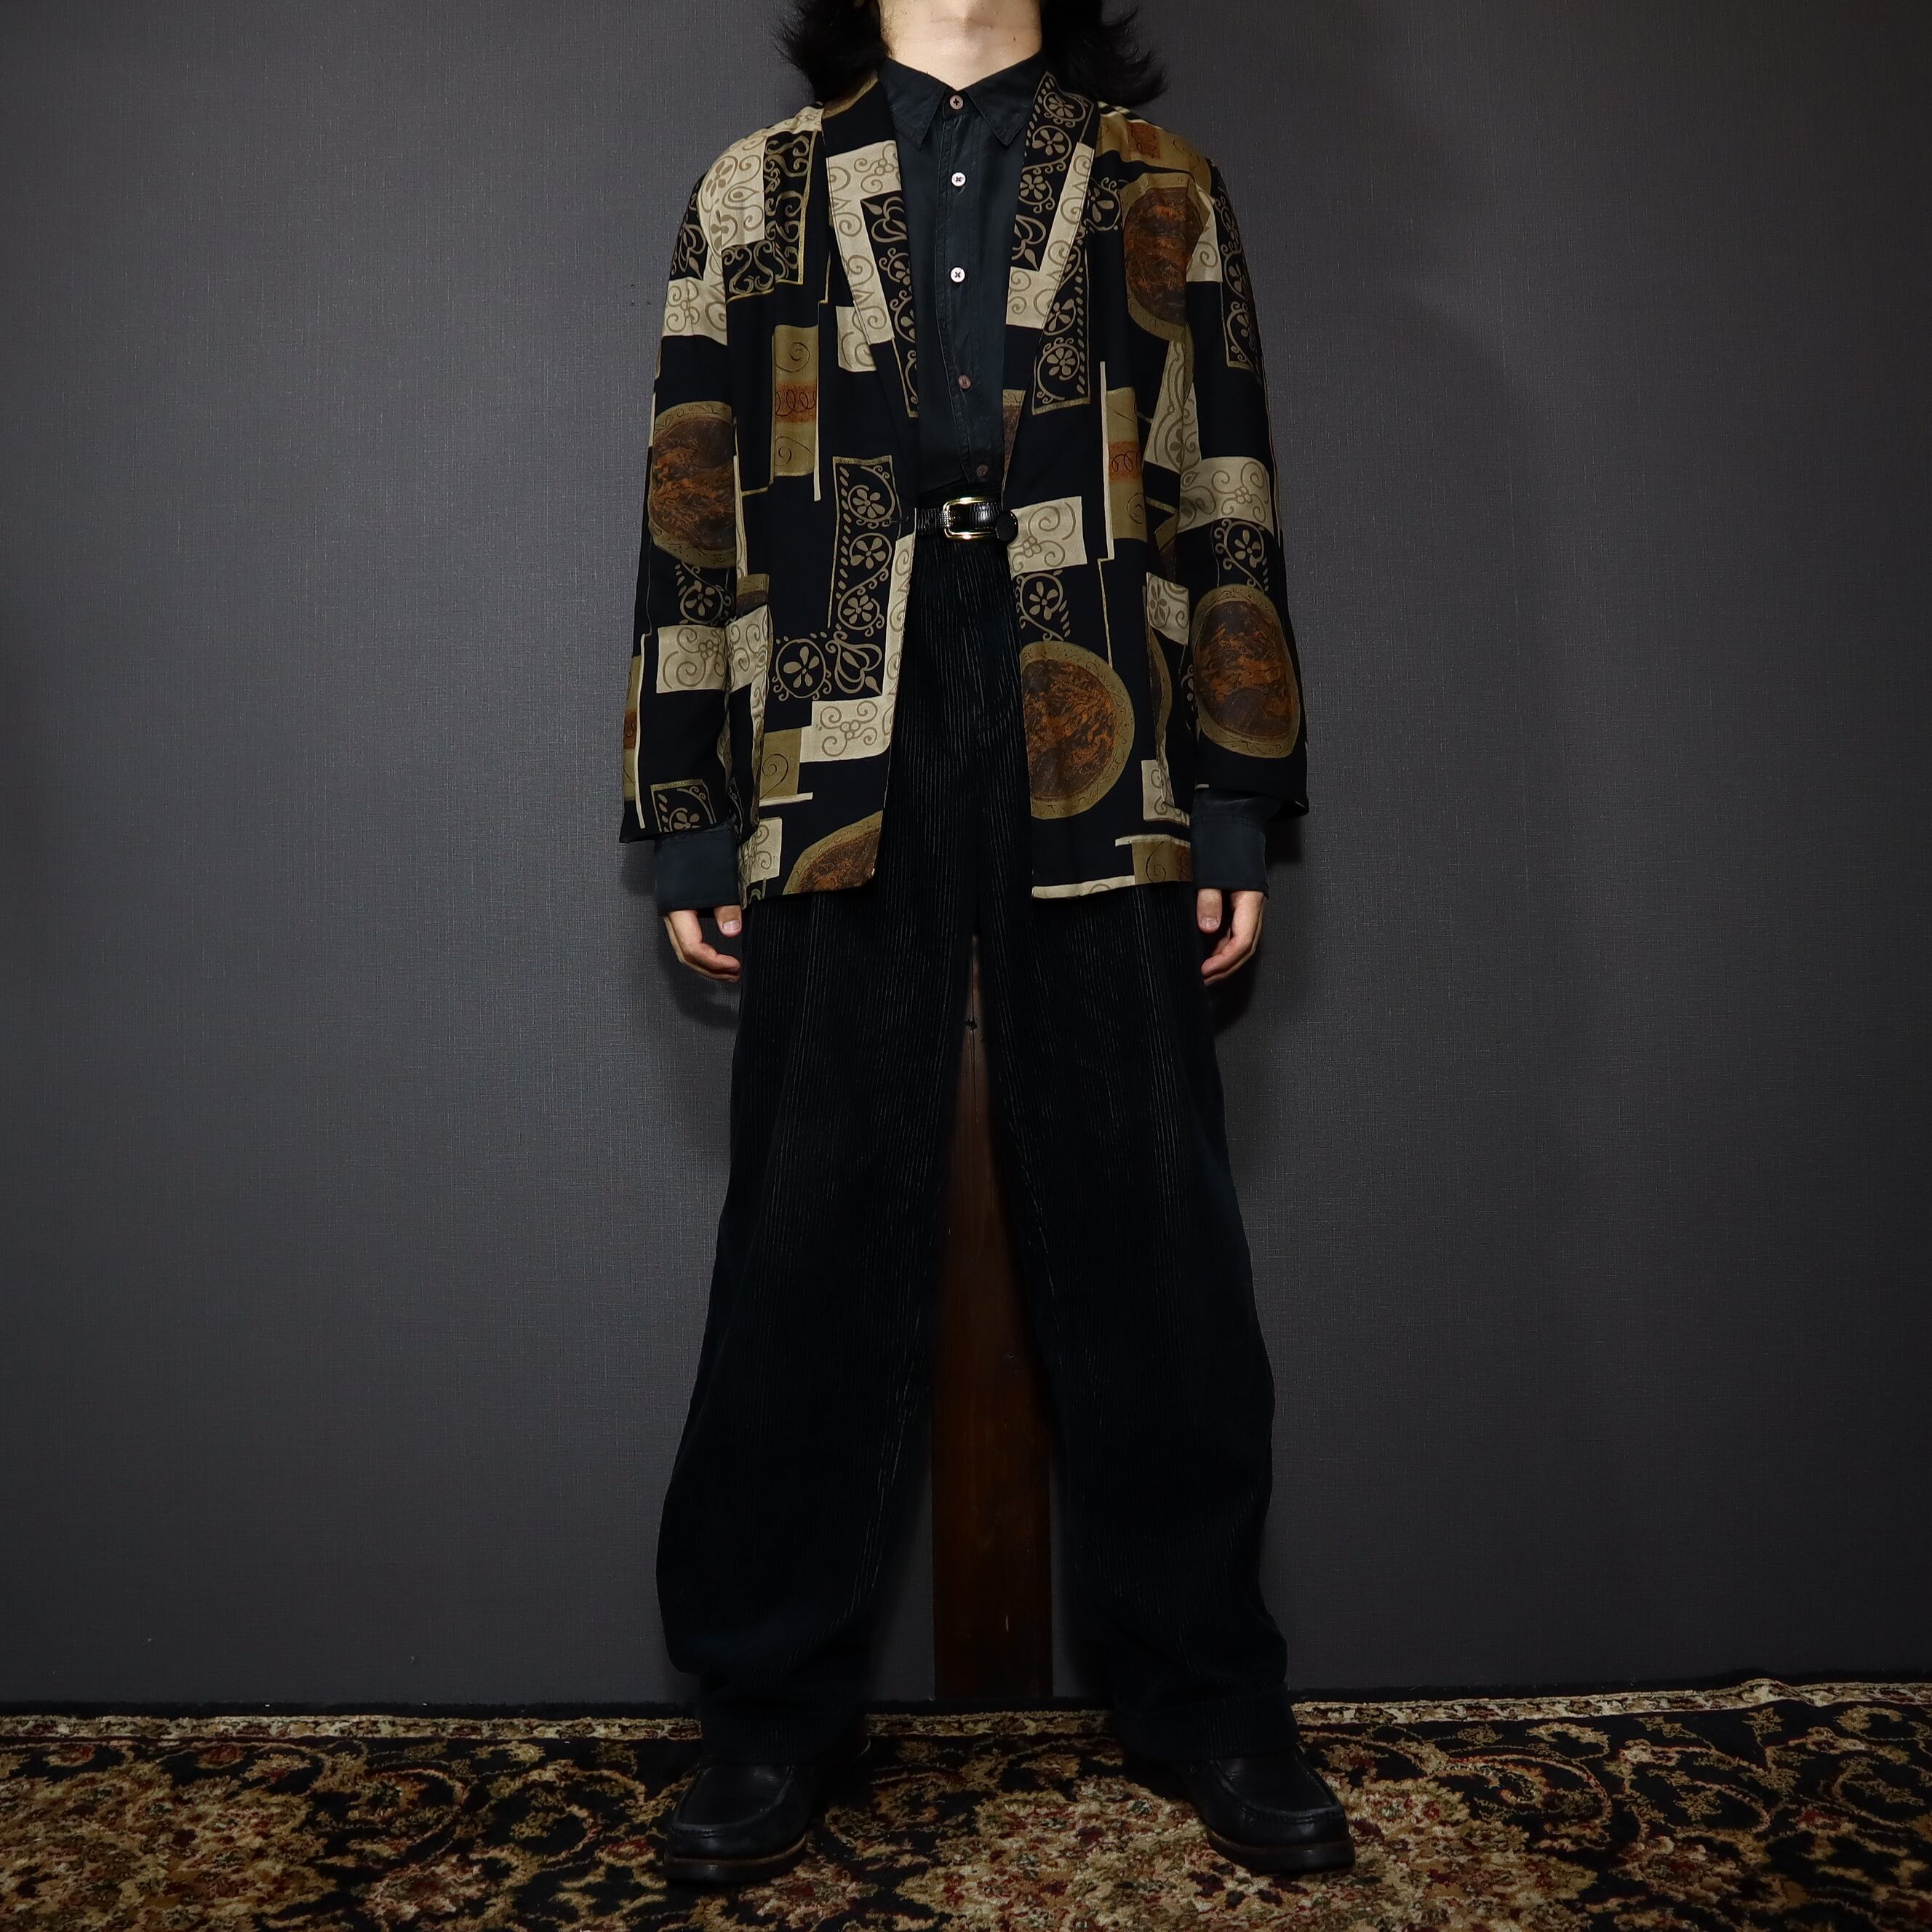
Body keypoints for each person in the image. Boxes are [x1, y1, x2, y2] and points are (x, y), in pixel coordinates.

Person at [620, 0, 1353, 1888]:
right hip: (831, 708)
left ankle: (1206, 1691)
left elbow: (1227, 482)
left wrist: (1240, 794)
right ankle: (765, 1708)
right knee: (807, 1220)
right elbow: (692, 493)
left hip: (1096, 687)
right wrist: (688, 798)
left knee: (1150, 1215)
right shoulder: (756, 189)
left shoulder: (1160, 183)